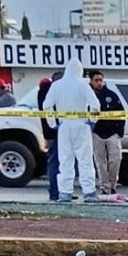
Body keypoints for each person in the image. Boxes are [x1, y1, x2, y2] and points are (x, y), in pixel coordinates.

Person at [42, 58, 101, 203]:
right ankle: (89, 193)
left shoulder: (56, 85)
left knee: (65, 160)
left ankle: (65, 193)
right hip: (81, 125)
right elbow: (95, 105)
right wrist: (92, 121)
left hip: (64, 126)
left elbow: (47, 105)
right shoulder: (83, 85)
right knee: (85, 160)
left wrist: (53, 124)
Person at [89, 69, 125, 195]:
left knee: (115, 159)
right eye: (96, 80)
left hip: (112, 133)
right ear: (91, 81)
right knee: (100, 162)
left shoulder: (111, 95)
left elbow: (121, 113)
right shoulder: (88, 96)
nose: (99, 83)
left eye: (101, 80)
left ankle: (113, 184)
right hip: (96, 133)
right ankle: (104, 186)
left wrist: (119, 132)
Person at [37, 75, 59, 201]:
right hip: (54, 132)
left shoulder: (44, 92)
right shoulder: (47, 91)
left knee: (57, 162)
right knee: (56, 162)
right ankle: (55, 191)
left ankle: (57, 190)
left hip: (50, 132)